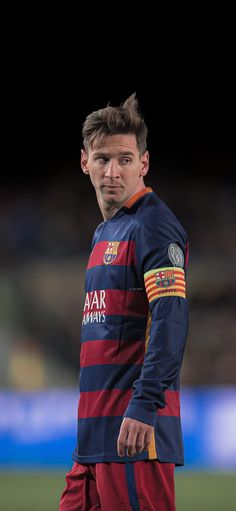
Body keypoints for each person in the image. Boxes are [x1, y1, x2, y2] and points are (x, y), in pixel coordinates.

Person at [59, 93, 189, 511]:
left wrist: (144, 405)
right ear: (85, 162)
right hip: (93, 441)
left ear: (144, 164)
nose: (112, 172)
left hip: (133, 436)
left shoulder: (154, 226)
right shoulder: (105, 232)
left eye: (125, 159)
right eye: (102, 159)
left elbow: (171, 321)